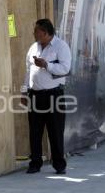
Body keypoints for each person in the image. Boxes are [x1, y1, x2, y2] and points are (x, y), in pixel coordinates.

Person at [21, 19, 71, 174]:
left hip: (54, 95)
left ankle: (59, 164)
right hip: (35, 95)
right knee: (35, 131)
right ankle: (35, 163)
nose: (34, 33)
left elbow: (65, 68)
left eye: (36, 31)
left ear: (45, 32)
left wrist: (46, 65)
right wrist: (24, 91)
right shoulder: (33, 47)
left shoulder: (60, 46)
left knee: (55, 131)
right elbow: (28, 71)